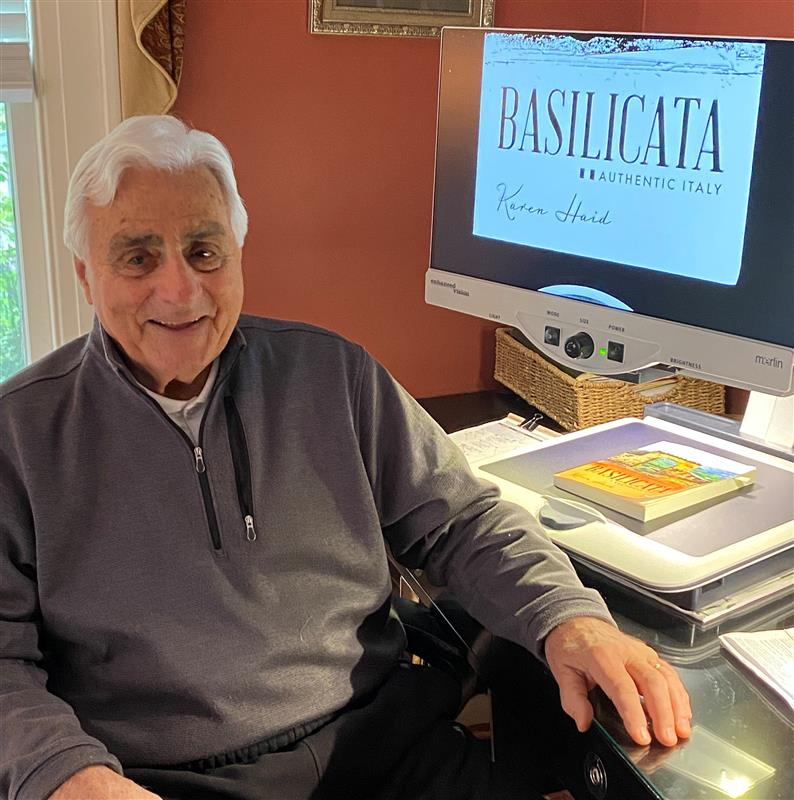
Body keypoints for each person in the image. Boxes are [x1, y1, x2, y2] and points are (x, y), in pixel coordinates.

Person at [0, 116, 691, 800]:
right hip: (162, 781)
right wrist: (68, 775)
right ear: (86, 275)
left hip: (382, 745)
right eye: (138, 257)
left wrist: (571, 619)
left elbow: (465, 521)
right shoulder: (20, 434)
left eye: (204, 252)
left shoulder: (333, 375)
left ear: (239, 256)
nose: (179, 290)